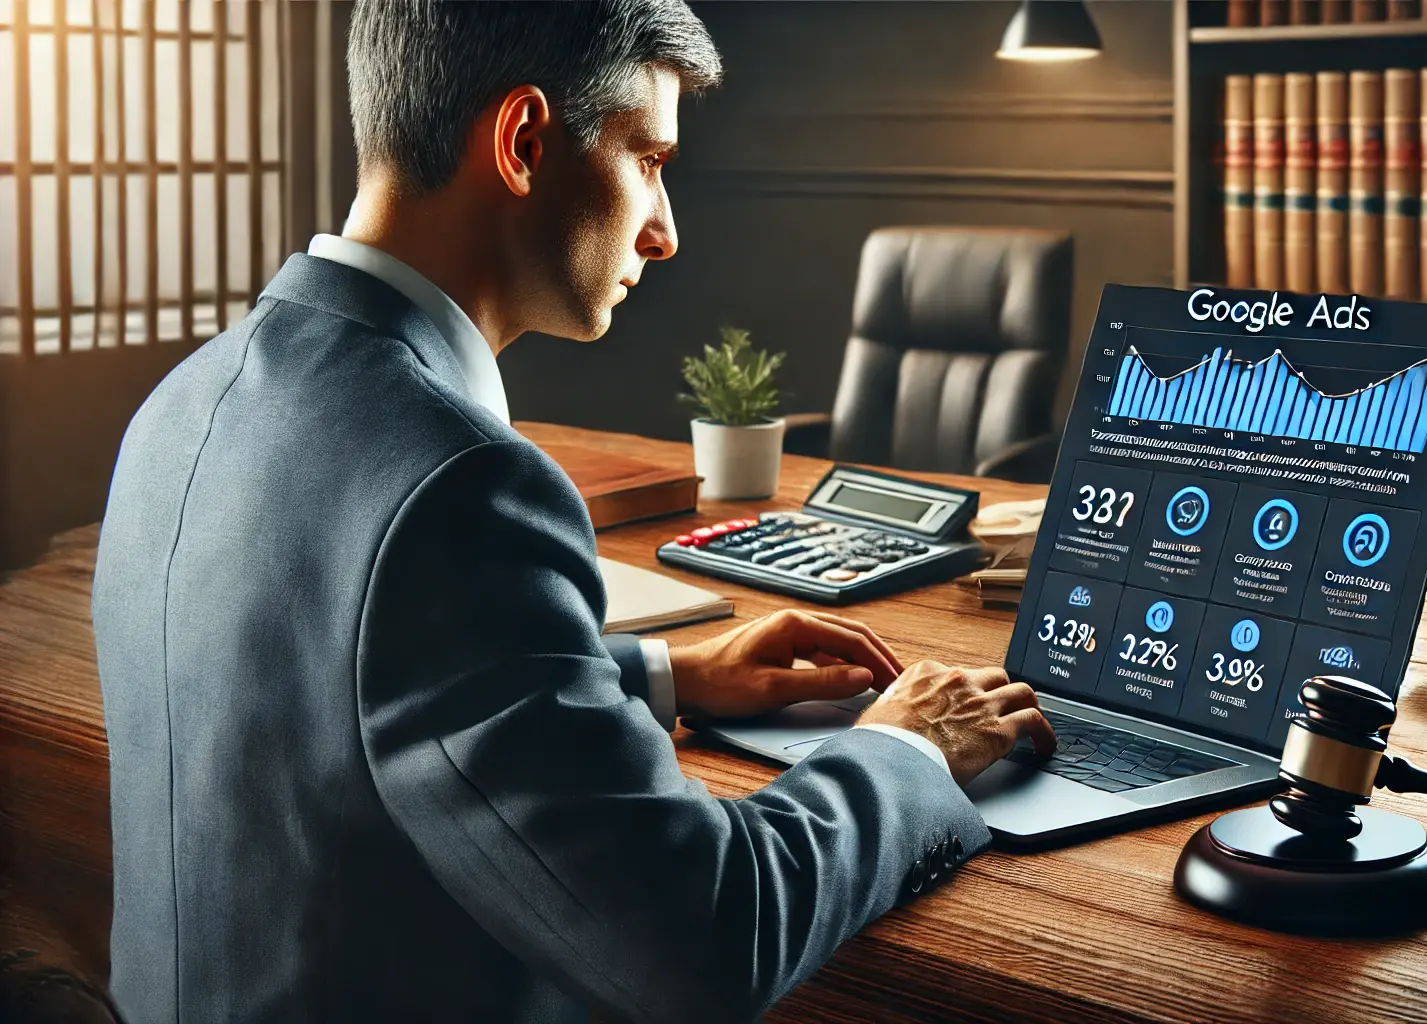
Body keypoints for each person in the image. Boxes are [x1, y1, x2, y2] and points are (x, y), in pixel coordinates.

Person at [89, 3, 1053, 1022]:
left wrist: (666, 675)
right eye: (648, 158)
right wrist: (908, 746)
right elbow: (705, 938)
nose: (665, 231)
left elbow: (332, 685)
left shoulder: (184, 397)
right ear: (524, 143)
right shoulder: (459, 485)